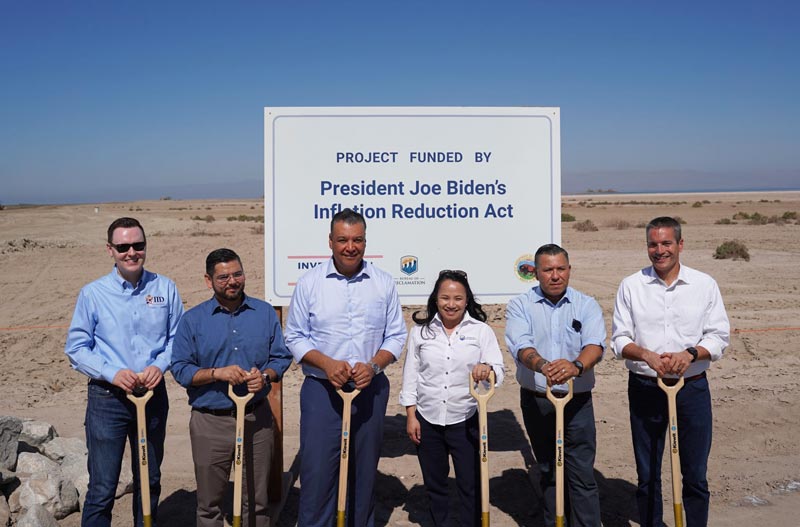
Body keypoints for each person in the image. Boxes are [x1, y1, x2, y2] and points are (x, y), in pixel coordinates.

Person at [284, 208, 406, 527]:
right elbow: (294, 335)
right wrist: (327, 364)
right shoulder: (310, 283)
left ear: (365, 241)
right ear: (330, 241)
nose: (350, 247)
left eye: (357, 240)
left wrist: (375, 366)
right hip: (322, 392)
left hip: (370, 391)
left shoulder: (383, 283)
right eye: (342, 240)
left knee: (364, 472)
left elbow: (396, 334)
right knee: (318, 472)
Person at [65, 217, 183, 527]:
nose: (131, 252)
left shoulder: (165, 287)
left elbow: (177, 339)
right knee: (103, 487)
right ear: (110, 250)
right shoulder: (93, 294)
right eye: (123, 246)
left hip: (153, 397)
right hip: (108, 400)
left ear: (145, 246)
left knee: (150, 479)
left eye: (138, 245)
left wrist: (160, 366)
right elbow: (77, 349)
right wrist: (113, 373)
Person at [611, 216, 730, 527]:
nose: (659, 250)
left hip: (691, 389)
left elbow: (718, 336)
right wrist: (646, 355)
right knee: (648, 472)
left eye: (666, 243)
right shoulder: (631, 286)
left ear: (680, 244)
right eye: (653, 244)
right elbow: (620, 339)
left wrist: (690, 354)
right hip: (645, 388)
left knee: (694, 473)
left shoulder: (704, 284)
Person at [170, 248, 292, 527]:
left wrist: (265, 376)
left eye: (237, 274)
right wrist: (216, 373)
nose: (232, 281)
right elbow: (180, 368)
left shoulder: (263, 313)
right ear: (208, 280)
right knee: (209, 504)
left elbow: (281, 357)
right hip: (210, 422)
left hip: (257, 419)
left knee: (257, 503)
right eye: (223, 277)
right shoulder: (193, 320)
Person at [505, 243, 605, 527]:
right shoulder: (520, 305)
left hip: (577, 401)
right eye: (548, 270)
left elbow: (595, 345)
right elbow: (520, 345)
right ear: (535, 273)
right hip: (537, 398)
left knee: (581, 472)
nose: (555, 275)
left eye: (561, 269)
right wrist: (543, 366)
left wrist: (575, 367)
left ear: (569, 270)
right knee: (548, 468)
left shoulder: (586, 304)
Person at [399, 269, 504, 527]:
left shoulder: (481, 331)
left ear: (467, 300)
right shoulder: (420, 333)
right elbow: (410, 376)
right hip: (427, 419)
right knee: (435, 485)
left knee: (470, 485)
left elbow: (499, 370)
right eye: (445, 298)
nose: (451, 304)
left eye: (458, 298)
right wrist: (411, 416)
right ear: (436, 299)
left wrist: (487, 370)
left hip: (466, 419)